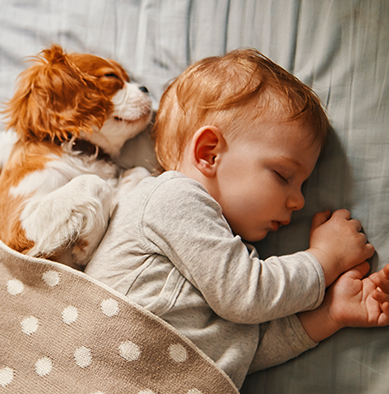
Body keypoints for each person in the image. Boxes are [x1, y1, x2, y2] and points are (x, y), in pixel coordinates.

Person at [84, 48, 389, 388]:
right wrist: (325, 259)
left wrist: (330, 313)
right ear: (209, 153)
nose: (299, 200)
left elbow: (238, 353)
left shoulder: (226, 253)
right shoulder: (171, 197)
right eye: (283, 175)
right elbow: (246, 296)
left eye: (303, 184)